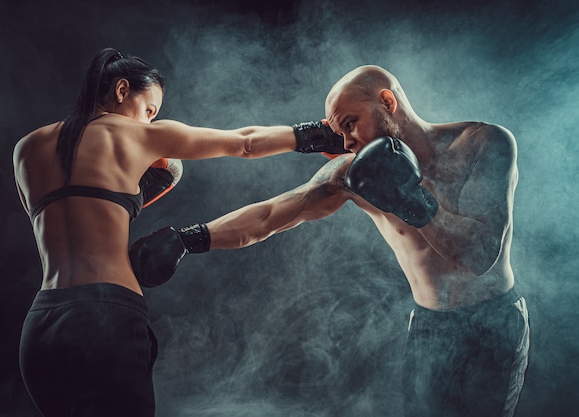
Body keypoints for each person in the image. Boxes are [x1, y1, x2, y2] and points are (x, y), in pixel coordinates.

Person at [132, 65, 530, 417]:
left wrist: (412, 198)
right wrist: (190, 239)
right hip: (429, 324)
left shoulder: (482, 143)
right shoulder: (352, 173)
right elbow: (273, 215)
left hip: (491, 323)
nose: (348, 142)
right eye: (338, 133)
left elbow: (480, 255)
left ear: (387, 101)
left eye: (351, 124)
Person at [12, 47, 347, 417]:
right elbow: (245, 143)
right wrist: (316, 134)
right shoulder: (138, 136)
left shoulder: (25, 149)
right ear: (122, 90)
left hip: (41, 326)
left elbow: (75, 210)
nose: (150, 121)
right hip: (105, 316)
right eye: (150, 110)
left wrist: (138, 190)